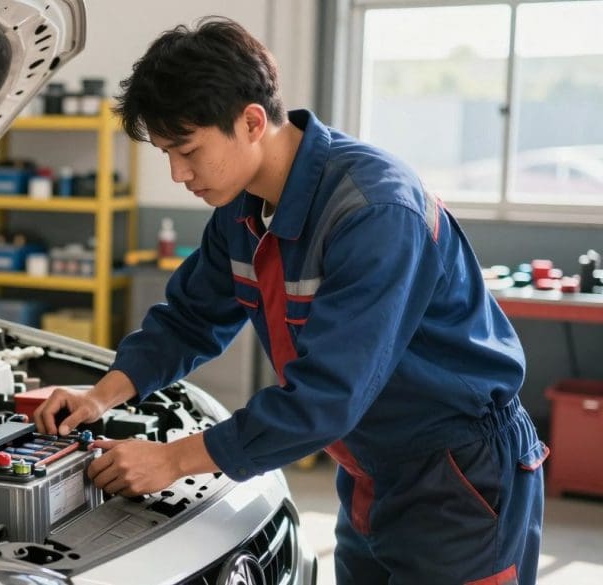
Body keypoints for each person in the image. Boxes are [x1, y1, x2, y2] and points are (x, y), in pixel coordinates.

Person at [32, 16, 547, 585]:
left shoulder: (374, 212)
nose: (178, 174)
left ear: (252, 121)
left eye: (187, 150)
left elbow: (326, 396)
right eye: (165, 154)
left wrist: (172, 460)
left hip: (456, 475)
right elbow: (189, 317)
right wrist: (101, 395)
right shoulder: (240, 205)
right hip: (368, 466)